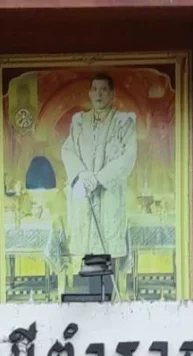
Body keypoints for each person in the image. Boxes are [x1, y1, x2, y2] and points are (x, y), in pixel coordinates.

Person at [61, 73, 137, 275]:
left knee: (109, 248)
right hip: (85, 194)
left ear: (112, 94)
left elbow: (128, 157)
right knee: (86, 252)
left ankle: (112, 290)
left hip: (109, 195)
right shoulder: (79, 122)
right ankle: (88, 288)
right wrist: (82, 174)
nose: (99, 94)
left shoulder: (124, 123)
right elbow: (67, 150)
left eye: (104, 89)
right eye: (95, 89)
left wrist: (99, 178)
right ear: (89, 93)